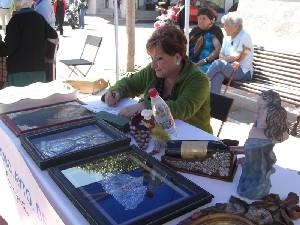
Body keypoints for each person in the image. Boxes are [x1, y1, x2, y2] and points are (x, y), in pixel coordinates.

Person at [104, 25, 213, 134]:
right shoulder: (154, 71)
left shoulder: (199, 80)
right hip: (159, 134)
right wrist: (116, 91)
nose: (153, 65)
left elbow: (181, 108)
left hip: (194, 141)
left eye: (160, 58)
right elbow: (130, 83)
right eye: (152, 58)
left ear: (178, 58)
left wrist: (144, 106)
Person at [232, 90, 289, 200]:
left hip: (261, 141)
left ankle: (255, 190)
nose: (258, 99)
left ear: (269, 100)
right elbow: (259, 124)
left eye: (262, 98)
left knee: (258, 169)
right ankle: (249, 187)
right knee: (252, 166)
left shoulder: (270, 110)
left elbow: (278, 133)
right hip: (257, 141)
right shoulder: (264, 109)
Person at [0, 0, 58, 87]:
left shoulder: (15, 20)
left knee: (21, 100)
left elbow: (7, 50)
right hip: (39, 70)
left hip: (19, 73)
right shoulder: (39, 17)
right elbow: (53, 35)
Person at [206, 12, 253, 94]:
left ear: (236, 26)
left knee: (218, 64)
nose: (224, 28)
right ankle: (214, 103)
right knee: (218, 75)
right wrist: (227, 59)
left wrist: (225, 59)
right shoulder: (227, 37)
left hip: (243, 71)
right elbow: (221, 55)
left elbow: (237, 57)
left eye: (226, 25)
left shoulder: (245, 36)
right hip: (228, 67)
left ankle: (202, 83)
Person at [189, 7, 223, 73]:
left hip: (207, 63)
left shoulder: (214, 31)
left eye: (204, 18)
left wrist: (205, 60)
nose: (201, 21)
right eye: (199, 18)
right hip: (191, 60)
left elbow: (218, 49)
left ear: (211, 20)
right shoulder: (195, 30)